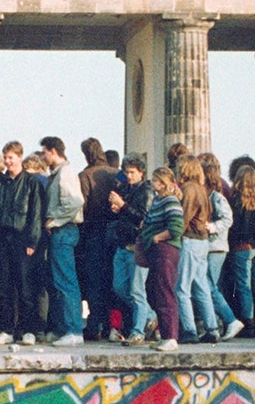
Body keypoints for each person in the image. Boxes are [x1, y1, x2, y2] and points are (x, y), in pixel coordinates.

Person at [0, 141, 47, 347]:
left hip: (23, 240)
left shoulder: (32, 183)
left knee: (25, 286)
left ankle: (28, 329)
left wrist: (33, 240)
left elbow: (36, 214)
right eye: (5, 158)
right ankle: (6, 329)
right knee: (4, 286)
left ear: (20, 158)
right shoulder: (0, 183)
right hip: (3, 240)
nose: (7, 162)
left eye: (11, 158)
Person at [106, 153, 155, 346]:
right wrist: (118, 209)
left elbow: (142, 217)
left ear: (141, 172)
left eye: (132, 172)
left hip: (137, 245)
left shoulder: (146, 190)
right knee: (120, 287)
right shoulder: (127, 188)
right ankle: (149, 315)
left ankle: (138, 331)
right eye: (126, 172)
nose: (129, 175)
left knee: (137, 290)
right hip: (123, 244)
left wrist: (122, 205)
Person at [42, 136, 85, 347]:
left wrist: (54, 220)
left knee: (66, 281)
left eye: (44, 152)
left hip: (63, 230)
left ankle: (74, 330)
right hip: (61, 231)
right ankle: (64, 328)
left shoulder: (65, 173)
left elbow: (76, 202)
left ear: (52, 151)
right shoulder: (58, 174)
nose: (43, 156)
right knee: (60, 281)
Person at [139, 167, 184, 352]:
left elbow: (176, 228)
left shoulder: (170, 201)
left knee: (164, 290)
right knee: (153, 289)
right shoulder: (157, 201)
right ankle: (165, 332)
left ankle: (171, 335)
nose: (152, 183)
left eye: (155, 180)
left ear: (163, 183)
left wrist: (158, 237)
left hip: (165, 250)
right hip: (155, 251)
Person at [175, 156, 218, 343]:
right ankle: (212, 328)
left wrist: (172, 236)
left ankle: (189, 330)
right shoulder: (202, 189)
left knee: (182, 288)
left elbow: (182, 219)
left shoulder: (188, 190)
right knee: (201, 286)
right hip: (202, 241)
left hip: (190, 240)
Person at [78, 138, 117, 341]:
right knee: (110, 280)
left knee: (93, 281)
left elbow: (82, 206)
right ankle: (111, 324)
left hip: (92, 232)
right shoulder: (114, 173)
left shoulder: (86, 175)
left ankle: (94, 325)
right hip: (113, 232)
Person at [201, 154, 243, 341]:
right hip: (211, 247)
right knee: (210, 285)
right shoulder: (210, 196)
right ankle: (217, 322)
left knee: (209, 286)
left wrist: (212, 227)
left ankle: (230, 319)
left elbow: (228, 219)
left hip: (215, 247)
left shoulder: (216, 198)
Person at [227, 163, 255, 335]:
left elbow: (234, 226)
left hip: (241, 246)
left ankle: (248, 321)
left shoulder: (235, 199)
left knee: (244, 285)